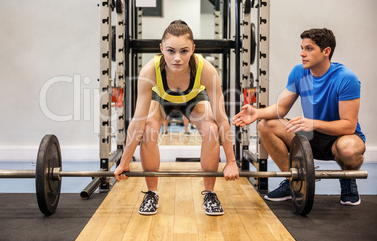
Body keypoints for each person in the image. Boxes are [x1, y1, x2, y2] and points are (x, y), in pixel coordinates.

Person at [114, 20, 239, 216]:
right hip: (162, 99)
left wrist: (231, 161)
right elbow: (137, 121)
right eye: (171, 51)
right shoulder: (149, 71)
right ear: (161, 48)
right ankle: (151, 193)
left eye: (184, 51)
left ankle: (209, 193)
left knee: (212, 129)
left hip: (193, 99)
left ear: (193, 50)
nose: (177, 58)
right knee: (147, 129)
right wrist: (124, 162)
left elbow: (222, 119)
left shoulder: (206, 70)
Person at [232, 28, 366, 205]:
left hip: (339, 138)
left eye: (309, 49)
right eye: (302, 48)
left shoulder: (346, 78)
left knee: (350, 149)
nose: (302, 54)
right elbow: (282, 107)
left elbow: (349, 126)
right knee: (266, 125)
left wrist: (314, 124)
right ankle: (293, 180)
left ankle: (348, 179)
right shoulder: (299, 72)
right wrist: (257, 113)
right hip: (309, 135)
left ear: (326, 51)